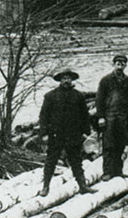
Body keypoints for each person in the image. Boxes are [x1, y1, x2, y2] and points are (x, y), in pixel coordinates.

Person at [39, 68, 95, 197]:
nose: (66, 81)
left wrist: (86, 131)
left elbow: (84, 116)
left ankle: (83, 186)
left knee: (76, 161)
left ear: (72, 80)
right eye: (63, 78)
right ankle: (45, 187)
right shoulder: (50, 96)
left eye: (68, 78)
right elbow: (43, 116)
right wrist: (44, 133)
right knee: (51, 161)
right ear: (59, 80)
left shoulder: (78, 96)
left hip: (73, 134)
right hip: (55, 134)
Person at [96, 54, 128, 180]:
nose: (120, 65)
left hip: (123, 117)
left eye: (122, 63)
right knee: (108, 145)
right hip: (109, 117)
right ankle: (107, 172)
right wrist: (101, 116)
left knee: (120, 144)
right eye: (117, 62)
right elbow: (99, 100)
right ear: (113, 64)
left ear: (125, 65)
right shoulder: (105, 80)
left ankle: (118, 171)